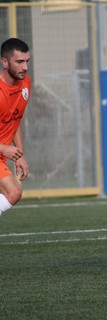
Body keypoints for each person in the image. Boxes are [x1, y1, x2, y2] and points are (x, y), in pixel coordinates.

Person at [0, 38, 31, 217]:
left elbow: (15, 118)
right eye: (19, 62)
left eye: (27, 61)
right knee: (13, 192)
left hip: (4, 155)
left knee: (9, 193)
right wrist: (4, 148)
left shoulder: (25, 83)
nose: (25, 67)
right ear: (5, 62)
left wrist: (19, 155)